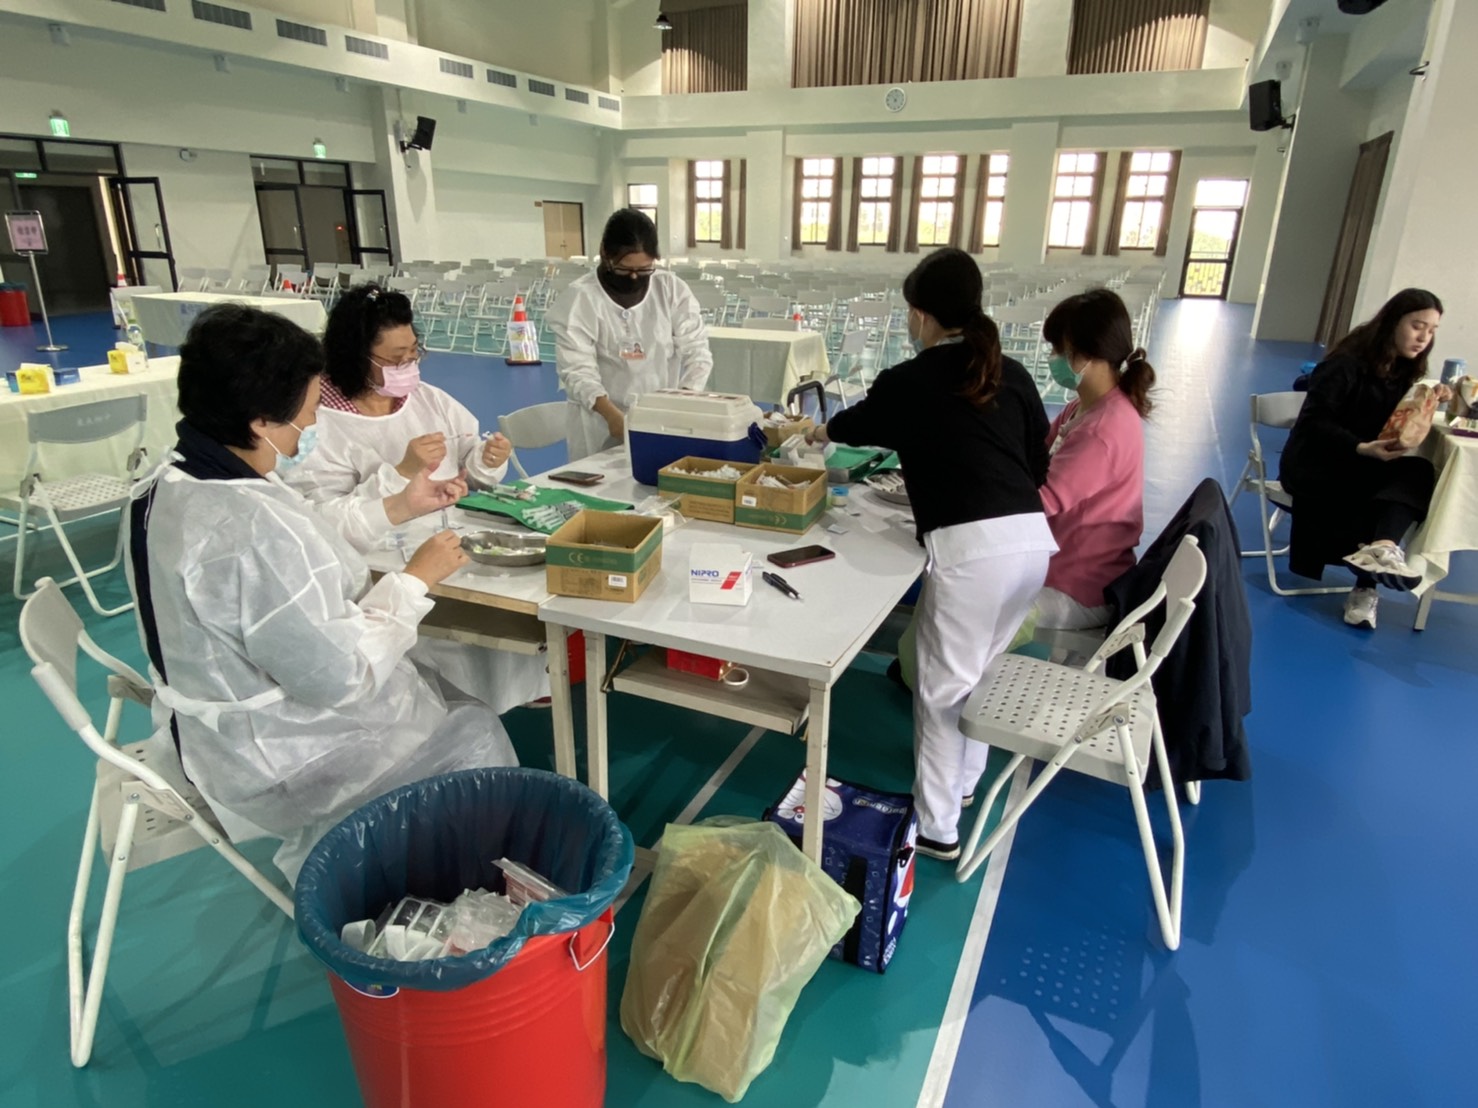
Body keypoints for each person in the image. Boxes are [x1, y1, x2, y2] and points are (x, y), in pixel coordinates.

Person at [126, 304, 518, 883]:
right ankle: (464, 888)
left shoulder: (170, 482)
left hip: (216, 725)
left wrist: (399, 507)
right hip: (279, 757)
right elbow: (342, 676)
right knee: (475, 731)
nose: (314, 421)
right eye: (308, 410)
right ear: (263, 420)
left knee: (435, 683)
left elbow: (309, 535)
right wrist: (413, 582)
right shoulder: (250, 529)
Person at [810, 248, 1056, 861]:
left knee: (943, 689)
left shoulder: (911, 380)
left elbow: (854, 426)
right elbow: (1038, 465)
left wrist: (813, 431)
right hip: (1031, 545)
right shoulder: (1012, 372)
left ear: (920, 315)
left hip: (974, 554)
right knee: (981, 673)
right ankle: (965, 785)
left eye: (909, 313)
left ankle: (939, 828)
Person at [286, 284, 549, 713]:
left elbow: (470, 463)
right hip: (381, 562)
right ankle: (457, 704)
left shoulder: (426, 399)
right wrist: (402, 473)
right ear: (355, 356)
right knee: (443, 652)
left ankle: (510, 695)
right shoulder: (321, 422)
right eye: (395, 359)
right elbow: (327, 524)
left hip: (448, 540)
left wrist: (486, 460)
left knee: (513, 601)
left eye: (414, 352)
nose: (408, 366)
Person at [1280, 288, 1445, 630]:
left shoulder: (1404, 370)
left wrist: (1427, 401)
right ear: (1392, 322)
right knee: (1377, 495)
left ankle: (1382, 549)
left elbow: (1394, 422)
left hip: (1362, 458)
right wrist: (1361, 447)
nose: (1423, 338)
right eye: (1417, 326)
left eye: (1431, 331)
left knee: (1419, 472)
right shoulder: (1345, 364)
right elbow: (1313, 423)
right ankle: (1366, 586)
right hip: (1316, 462)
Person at [546, 208, 713, 459]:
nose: (634, 277)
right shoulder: (580, 299)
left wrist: (684, 397)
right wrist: (611, 415)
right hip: (600, 419)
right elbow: (577, 370)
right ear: (605, 254)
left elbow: (697, 351)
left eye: (644, 270)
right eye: (624, 270)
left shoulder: (671, 290)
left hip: (660, 416)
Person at [1034, 288, 1154, 630]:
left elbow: (1040, 501)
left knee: (971, 612)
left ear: (1087, 354)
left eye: (1059, 349)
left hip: (1077, 588)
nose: (1053, 358)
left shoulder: (1102, 429)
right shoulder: (1085, 406)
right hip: (1065, 565)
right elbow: (1037, 453)